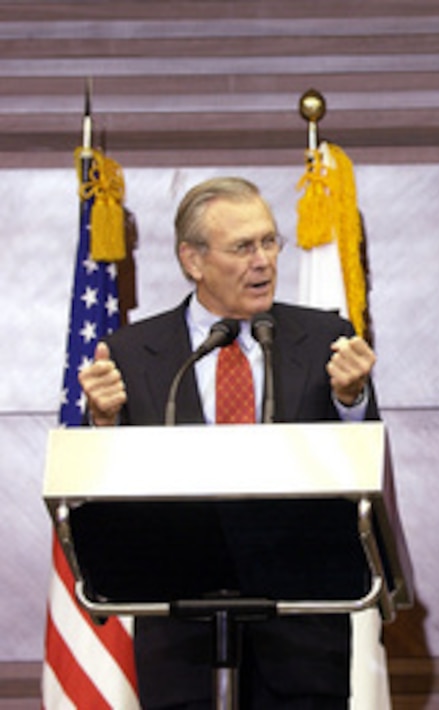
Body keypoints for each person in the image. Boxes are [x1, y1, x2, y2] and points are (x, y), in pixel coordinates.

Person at [78, 176, 378, 709]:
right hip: (180, 633)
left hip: (301, 630)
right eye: (243, 247)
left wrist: (351, 399)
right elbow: (105, 500)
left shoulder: (326, 339)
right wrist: (103, 423)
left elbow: (360, 472)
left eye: (269, 242)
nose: (263, 261)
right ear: (192, 260)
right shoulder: (131, 351)